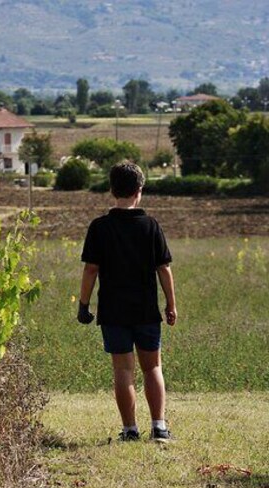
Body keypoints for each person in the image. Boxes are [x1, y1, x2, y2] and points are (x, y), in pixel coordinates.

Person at [77, 160, 177, 443]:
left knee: (123, 370)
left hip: (113, 310)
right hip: (146, 309)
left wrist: (84, 305)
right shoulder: (151, 226)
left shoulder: (99, 228)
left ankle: (130, 429)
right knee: (152, 367)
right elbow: (164, 269)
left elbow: (91, 269)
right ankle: (159, 427)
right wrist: (171, 304)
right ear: (139, 190)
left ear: (112, 190)